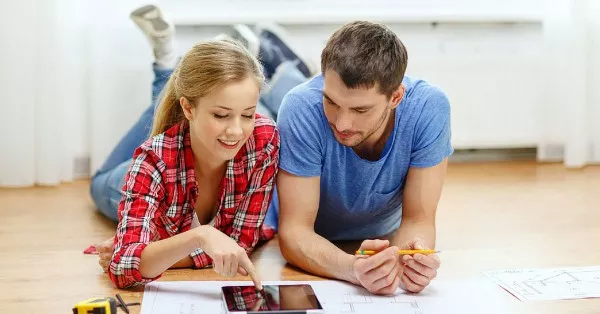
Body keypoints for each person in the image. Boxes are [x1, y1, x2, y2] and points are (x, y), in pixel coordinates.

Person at [88, 5, 309, 289]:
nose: (236, 130)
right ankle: (167, 63)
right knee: (99, 186)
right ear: (188, 109)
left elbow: (241, 242)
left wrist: (158, 252)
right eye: (221, 115)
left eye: (248, 114)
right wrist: (199, 237)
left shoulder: (262, 138)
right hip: (150, 166)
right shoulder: (152, 161)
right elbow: (122, 266)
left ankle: (181, 65)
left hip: (189, 143)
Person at [266, 21, 452, 295]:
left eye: (360, 109)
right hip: (295, 218)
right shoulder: (302, 107)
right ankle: (278, 63)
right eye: (331, 101)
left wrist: (410, 259)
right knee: (267, 102)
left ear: (396, 97)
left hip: (377, 232)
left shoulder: (429, 107)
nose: (342, 123)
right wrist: (352, 268)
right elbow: (295, 233)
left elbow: (419, 220)